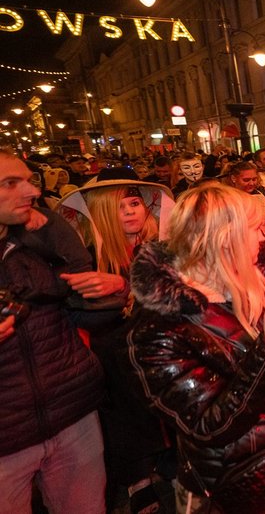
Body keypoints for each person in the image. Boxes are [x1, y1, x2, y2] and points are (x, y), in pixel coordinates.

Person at [126, 183, 265, 513]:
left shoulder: (259, 278)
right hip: (250, 485)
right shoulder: (162, 327)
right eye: (254, 229)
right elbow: (209, 426)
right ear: (226, 239)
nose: (263, 238)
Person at [56, 177, 176, 512]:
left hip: (159, 346)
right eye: (119, 207)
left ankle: (168, 463)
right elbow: (81, 312)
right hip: (113, 353)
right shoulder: (88, 255)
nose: (129, 212)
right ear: (102, 214)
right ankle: (139, 481)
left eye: (134, 203)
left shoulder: (161, 246)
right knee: (127, 416)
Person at [0, 150, 106, 513]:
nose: (31, 191)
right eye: (10, 183)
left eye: (29, 181)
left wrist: (117, 290)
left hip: (72, 415)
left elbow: (84, 296)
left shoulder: (39, 238)